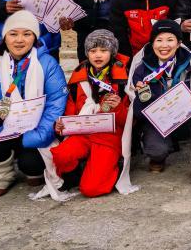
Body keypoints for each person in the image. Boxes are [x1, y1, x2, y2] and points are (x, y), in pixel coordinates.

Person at [128, 19, 191, 183]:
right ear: (152, 43)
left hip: (185, 118)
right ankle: (160, 154)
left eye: (170, 40)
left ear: (179, 43)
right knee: (156, 151)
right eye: (159, 40)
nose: (164, 45)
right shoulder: (142, 68)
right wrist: (144, 98)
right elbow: (136, 112)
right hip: (158, 122)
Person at [0, 11, 67, 198]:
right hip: (3, 129)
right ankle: (1, 176)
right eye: (13, 34)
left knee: (32, 163)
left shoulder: (47, 63)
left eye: (27, 34)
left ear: (35, 37)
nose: (19, 40)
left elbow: (56, 104)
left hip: (34, 128)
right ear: (4, 37)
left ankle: (33, 170)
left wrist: (37, 136)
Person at [51, 30, 131, 197]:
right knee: (61, 154)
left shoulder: (123, 78)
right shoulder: (78, 77)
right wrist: (60, 126)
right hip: (83, 132)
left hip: (109, 136)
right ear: (87, 53)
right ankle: (79, 172)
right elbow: (70, 113)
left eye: (104, 50)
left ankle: (114, 165)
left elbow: (131, 122)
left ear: (112, 52)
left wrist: (118, 108)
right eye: (93, 51)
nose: (98, 55)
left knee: (91, 189)